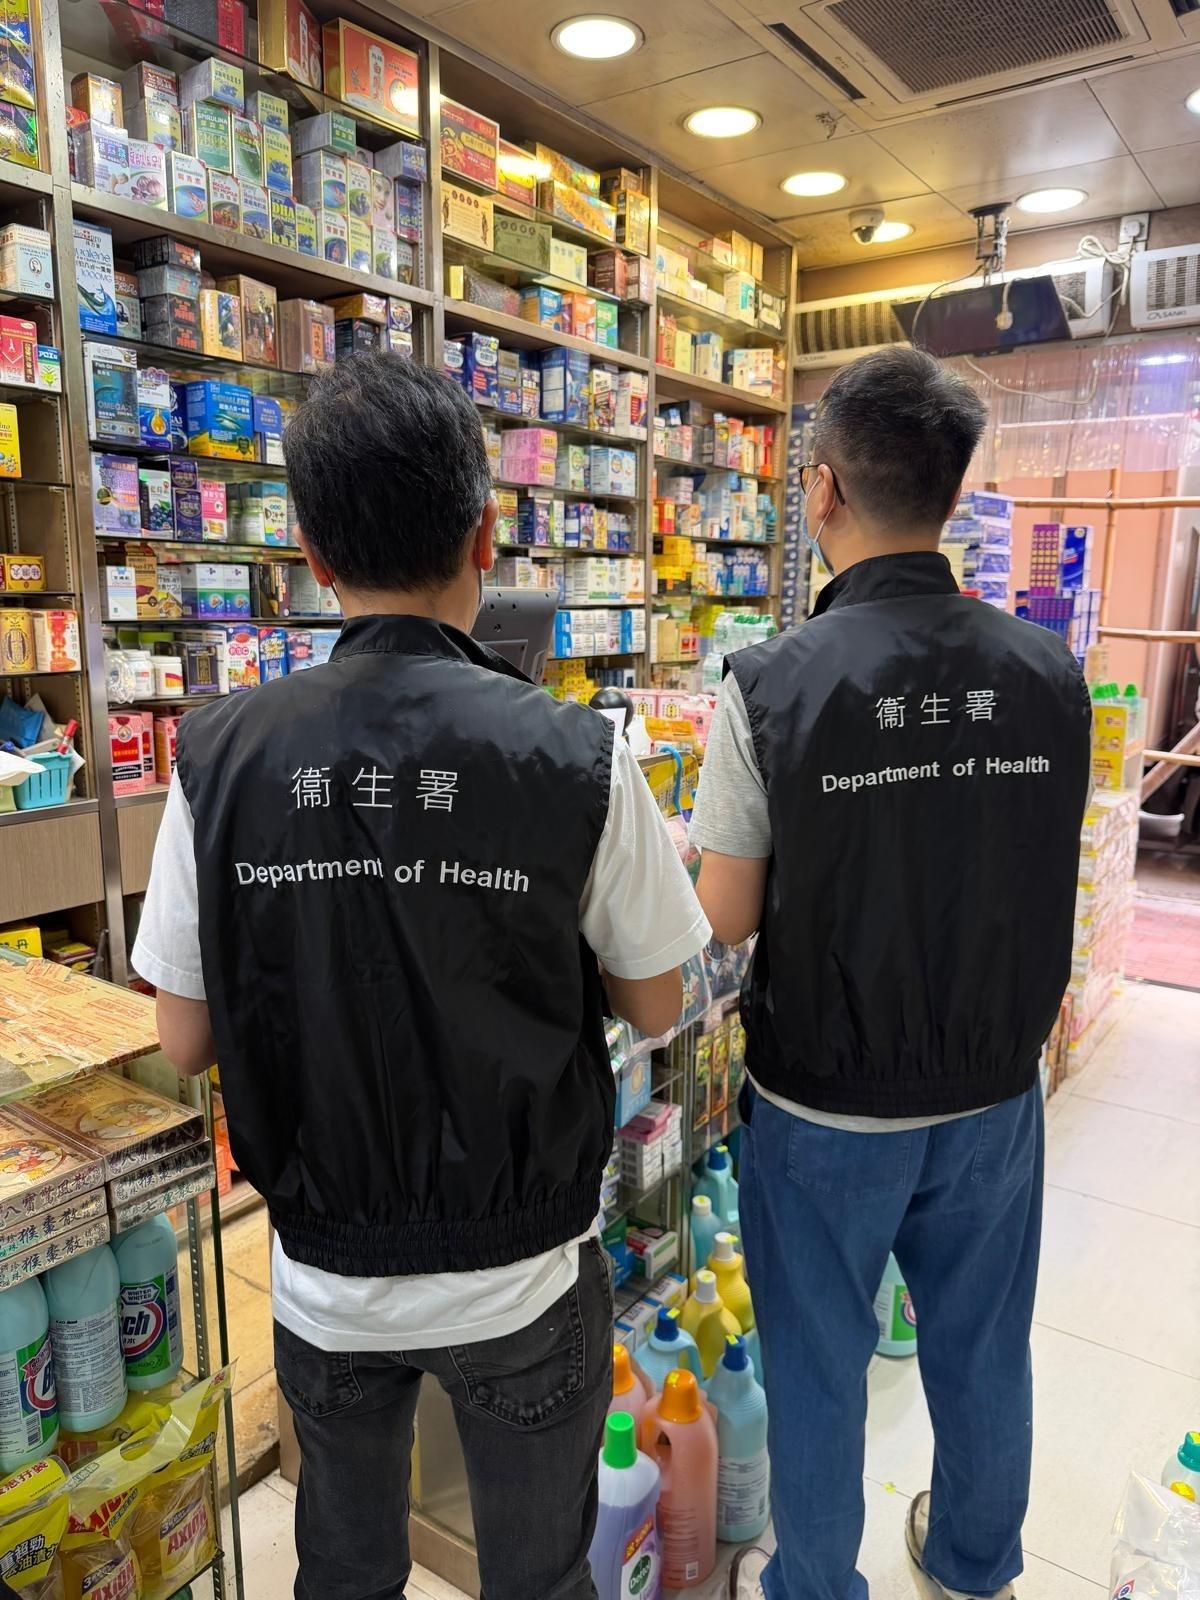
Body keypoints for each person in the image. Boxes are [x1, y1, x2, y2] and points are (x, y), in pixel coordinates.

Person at [132, 353, 711, 1600]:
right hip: (522, 1273)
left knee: (343, 1569)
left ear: (310, 551)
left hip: (326, 1275)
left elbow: (183, 1038)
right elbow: (660, 1001)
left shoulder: (221, 756)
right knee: (540, 1575)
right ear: (486, 534)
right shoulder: (575, 752)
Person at [690, 347, 1092, 1600]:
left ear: (821, 492)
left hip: (823, 1105)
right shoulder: (1048, 676)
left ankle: (817, 1582)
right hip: (991, 1093)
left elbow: (728, 913)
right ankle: (975, 1561)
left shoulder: (767, 685)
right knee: (981, 1347)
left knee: (816, 1362)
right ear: (954, 492)